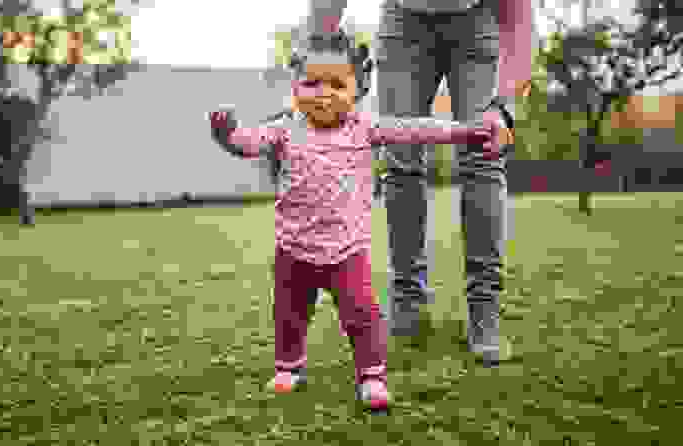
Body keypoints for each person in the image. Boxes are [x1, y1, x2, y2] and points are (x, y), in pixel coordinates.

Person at [209, 29, 500, 412]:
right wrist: (226, 134)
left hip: (348, 251)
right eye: (311, 82)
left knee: (362, 315)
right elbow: (248, 143)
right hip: (293, 250)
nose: (323, 92)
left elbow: (418, 129)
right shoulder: (285, 128)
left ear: (359, 88)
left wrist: (466, 130)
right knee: (290, 315)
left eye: (336, 83)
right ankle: (289, 366)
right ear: (295, 85)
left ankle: (372, 375)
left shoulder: (365, 127)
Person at [302, 0, 532, 367]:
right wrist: (317, 50)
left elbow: (518, 12)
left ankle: (484, 308)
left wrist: (504, 106)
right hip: (403, 23)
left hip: (477, 20)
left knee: (484, 154)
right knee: (400, 157)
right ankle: (407, 301)